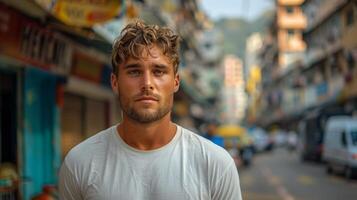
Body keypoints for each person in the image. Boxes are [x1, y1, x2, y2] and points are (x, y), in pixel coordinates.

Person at [59, 20, 242, 200]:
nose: (147, 84)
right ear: (115, 82)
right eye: (134, 71)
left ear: (176, 82)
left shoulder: (215, 164)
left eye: (159, 71)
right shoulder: (80, 163)